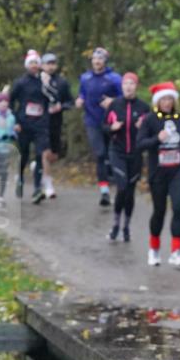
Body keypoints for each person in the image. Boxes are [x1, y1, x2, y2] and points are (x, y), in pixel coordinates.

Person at [137, 81, 180, 267]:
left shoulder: (179, 118)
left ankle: (176, 252)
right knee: (159, 211)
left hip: (177, 170)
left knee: (178, 208)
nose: (167, 103)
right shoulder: (150, 120)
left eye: (170, 99)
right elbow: (140, 144)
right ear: (157, 102)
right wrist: (156, 139)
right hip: (158, 172)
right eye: (164, 99)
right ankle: (154, 249)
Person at [103, 72, 149, 242]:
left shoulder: (144, 107)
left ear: (136, 86)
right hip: (118, 152)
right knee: (121, 187)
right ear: (122, 86)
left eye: (132, 83)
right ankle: (115, 225)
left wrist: (142, 127)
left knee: (129, 193)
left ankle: (126, 227)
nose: (128, 87)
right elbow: (104, 126)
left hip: (136, 154)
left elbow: (153, 129)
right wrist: (112, 128)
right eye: (125, 84)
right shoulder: (114, 105)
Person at [75, 47, 122, 207]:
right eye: (95, 58)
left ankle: (118, 187)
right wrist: (80, 100)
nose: (97, 61)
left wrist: (113, 101)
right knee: (100, 154)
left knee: (112, 154)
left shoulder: (114, 78)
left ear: (105, 61)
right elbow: (82, 93)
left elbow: (124, 97)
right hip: (92, 121)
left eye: (100, 59)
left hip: (111, 121)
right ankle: (104, 192)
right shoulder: (85, 78)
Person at [10, 50, 52, 204]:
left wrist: (48, 85)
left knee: (41, 154)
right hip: (24, 124)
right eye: (32, 63)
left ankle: (36, 189)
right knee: (24, 155)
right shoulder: (20, 83)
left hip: (40, 124)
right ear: (27, 65)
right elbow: (10, 101)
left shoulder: (44, 81)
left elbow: (53, 98)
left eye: (36, 63)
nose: (35, 65)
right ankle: (19, 178)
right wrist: (14, 121)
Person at [39, 53, 74, 198]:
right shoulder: (37, 80)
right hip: (40, 121)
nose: (51, 66)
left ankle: (39, 168)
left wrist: (61, 106)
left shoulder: (62, 82)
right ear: (42, 65)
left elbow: (70, 102)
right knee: (45, 152)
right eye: (48, 63)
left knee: (53, 155)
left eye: (53, 63)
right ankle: (48, 184)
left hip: (56, 121)